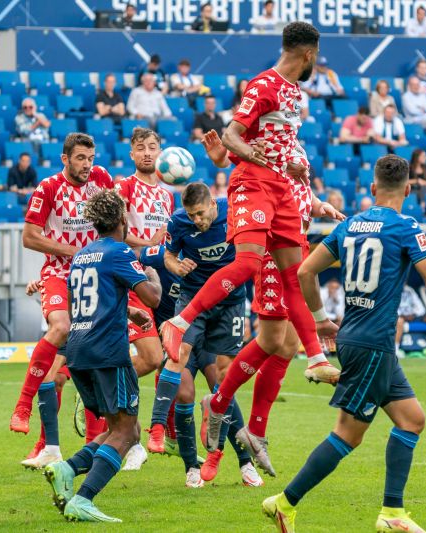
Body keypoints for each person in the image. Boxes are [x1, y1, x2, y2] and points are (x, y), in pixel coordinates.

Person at [262, 154, 426, 533]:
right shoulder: (406, 227)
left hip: (357, 338)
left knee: (412, 420)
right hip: (373, 345)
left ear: (371, 189)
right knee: (347, 434)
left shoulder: (349, 224)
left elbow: (304, 270)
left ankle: (392, 511)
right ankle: (284, 503)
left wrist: (319, 321)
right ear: (409, 190)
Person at [159, 23, 340, 396]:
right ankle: (180, 322)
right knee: (246, 264)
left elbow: (258, 142)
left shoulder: (292, 91)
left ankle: (317, 358)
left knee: (295, 274)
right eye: (316, 57)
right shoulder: (264, 85)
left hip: (280, 189)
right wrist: (242, 157)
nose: (316, 63)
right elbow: (231, 135)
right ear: (308, 54)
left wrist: (285, 169)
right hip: (253, 184)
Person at [192, 129, 345, 476]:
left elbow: (300, 191)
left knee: (285, 344)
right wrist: (222, 158)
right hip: (275, 248)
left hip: (296, 241)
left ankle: (254, 429)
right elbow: (244, 165)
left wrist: (320, 206)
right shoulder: (262, 141)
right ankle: (220, 404)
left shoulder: (295, 145)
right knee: (273, 339)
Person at [43, 189, 162, 523]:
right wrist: (152, 274)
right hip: (108, 352)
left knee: (118, 429)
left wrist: (126, 315)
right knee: (127, 433)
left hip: (79, 350)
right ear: (123, 220)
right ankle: (83, 499)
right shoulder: (120, 252)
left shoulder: (83, 254)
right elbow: (152, 298)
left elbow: (83, 306)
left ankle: (66, 469)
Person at [145, 183, 262, 487]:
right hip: (192, 305)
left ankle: (238, 460)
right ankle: (162, 434)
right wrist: (175, 265)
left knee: (224, 381)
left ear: (213, 203)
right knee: (180, 368)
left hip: (228, 305)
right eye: (192, 215)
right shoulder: (176, 225)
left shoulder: (235, 211)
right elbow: (161, 256)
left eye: (201, 213)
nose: (197, 220)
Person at [8, 134, 114, 462]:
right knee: (60, 328)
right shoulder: (48, 188)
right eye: (80, 158)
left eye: (90, 157)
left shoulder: (102, 180)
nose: (87, 164)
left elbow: (115, 224)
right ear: (64, 158)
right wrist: (74, 251)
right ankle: (23, 407)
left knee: (74, 370)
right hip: (58, 275)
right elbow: (29, 237)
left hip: (94, 280)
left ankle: (57, 447)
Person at [114, 128, 174, 469]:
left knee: (161, 358)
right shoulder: (125, 186)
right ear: (132, 154)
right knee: (151, 358)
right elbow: (114, 229)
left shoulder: (167, 196)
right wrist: (149, 242)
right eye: (141, 148)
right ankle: (108, 395)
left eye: (153, 146)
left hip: (155, 282)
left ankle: (148, 430)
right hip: (128, 277)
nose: (148, 153)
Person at [395, 285, 426, 359]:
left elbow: (420, 308)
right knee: (400, 321)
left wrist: (414, 315)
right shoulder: (392, 288)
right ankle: (395, 350)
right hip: (398, 317)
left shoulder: (409, 290)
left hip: (413, 316)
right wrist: (403, 316)